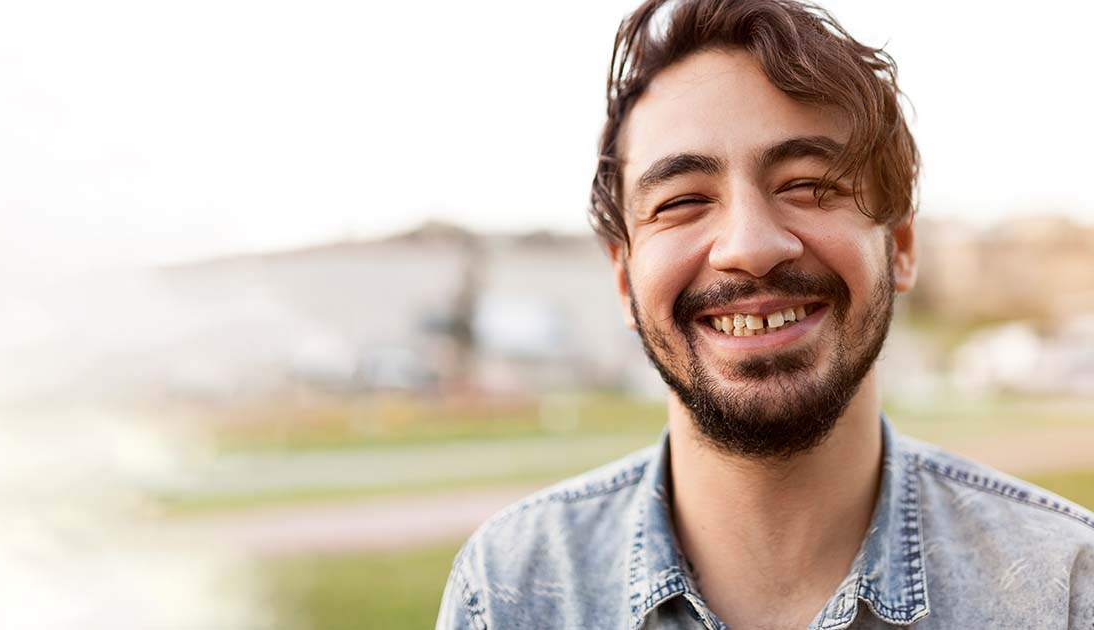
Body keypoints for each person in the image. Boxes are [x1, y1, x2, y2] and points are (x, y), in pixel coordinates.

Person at [435, 0, 1094, 628]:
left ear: (899, 248)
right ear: (623, 278)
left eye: (809, 186)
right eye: (682, 201)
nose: (750, 247)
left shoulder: (1064, 585)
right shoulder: (507, 592)